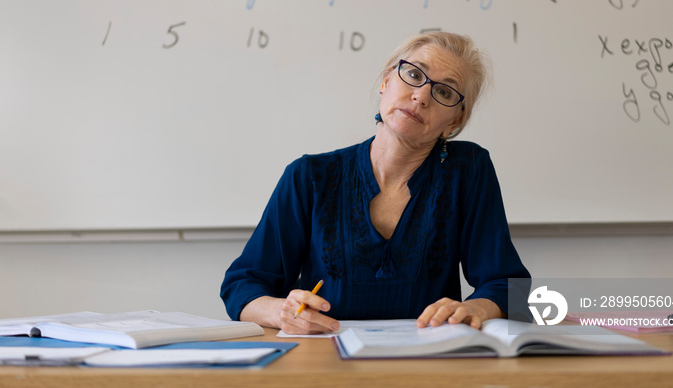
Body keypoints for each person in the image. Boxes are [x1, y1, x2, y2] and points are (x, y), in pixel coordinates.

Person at [221, 31, 530, 335]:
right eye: (413, 74)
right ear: (386, 81)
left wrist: (478, 307)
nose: (421, 96)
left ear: (455, 121)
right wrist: (281, 311)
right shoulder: (310, 175)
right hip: (324, 364)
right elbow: (242, 286)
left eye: (445, 92)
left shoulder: (468, 169)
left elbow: (513, 290)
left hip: (430, 363)